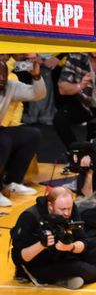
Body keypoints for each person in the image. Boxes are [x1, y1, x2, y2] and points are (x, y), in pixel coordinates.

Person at [11, 187, 96, 289]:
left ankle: (66, 276)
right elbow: (18, 258)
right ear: (50, 205)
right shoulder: (29, 217)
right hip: (40, 264)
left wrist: (70, 247)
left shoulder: (71, 208)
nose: (67, 213)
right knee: (79, 267)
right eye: (62, 210)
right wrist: (41, 245)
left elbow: (82, 239)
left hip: (66, 253)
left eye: (69, 208)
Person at [0, 57, 45, 207]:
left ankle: (11, 181)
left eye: (4, 74)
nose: (1, 78)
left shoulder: (9, 86)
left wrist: (36, 76)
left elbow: (37, 94)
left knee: (32, 135)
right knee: (3, 141)